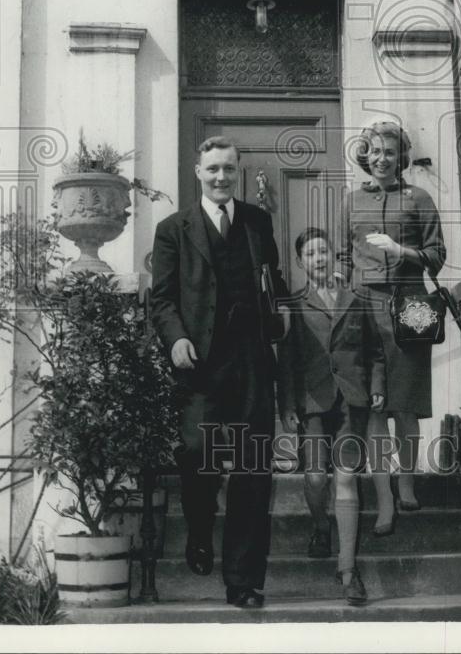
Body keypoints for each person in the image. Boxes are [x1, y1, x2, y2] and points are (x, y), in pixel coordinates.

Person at [150, 136, 289, 609]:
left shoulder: (257, 221)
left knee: (253, 470)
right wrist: (177, 339)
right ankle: (198, 527)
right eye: (212, 169)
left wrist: (285, 309)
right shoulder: (173, 229)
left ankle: (243, 582)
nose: (221, 177)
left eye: (229, 169)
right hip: (200, 363)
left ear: (238, 171)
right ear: (197, 172)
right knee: (195, 454)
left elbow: (274, 282)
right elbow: (163, 298)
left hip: (250, 360)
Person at [339, 121, 446, 534]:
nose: (381, 159)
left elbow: (438, 255)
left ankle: (406, 481)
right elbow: (344, 257)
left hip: (412, 304)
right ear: (365, 156)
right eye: (375, 152)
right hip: (365, 306)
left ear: (401, 157)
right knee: (372, 404)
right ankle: (384, 498)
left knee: (405, 400)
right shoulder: (350, 201)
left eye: (389, 152)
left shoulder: (418, 198)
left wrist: (402, 250)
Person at [277, 227, 385, 606]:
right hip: (313, 402)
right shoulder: (292, 304)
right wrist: (288, 405)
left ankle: (348, 572)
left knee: (346, 481)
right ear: (301, 262)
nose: (319, 258)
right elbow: (286, 363)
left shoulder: (357, 299)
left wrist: (376, 384)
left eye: (323, 251)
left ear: (333, 256)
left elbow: (374, 352)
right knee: (315, 477)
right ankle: (321, 526)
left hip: (351, 402)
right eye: (310, 254)